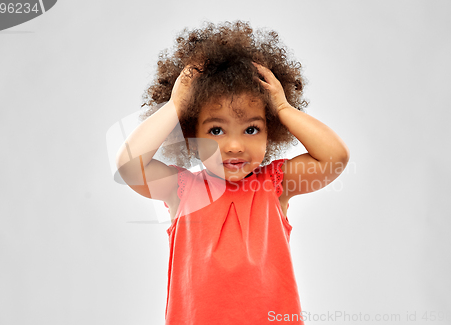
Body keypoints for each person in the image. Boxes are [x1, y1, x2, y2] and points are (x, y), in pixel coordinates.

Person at [115, 20, 349, 325]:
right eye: (216, 130)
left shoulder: (276, 184)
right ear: (190, 133)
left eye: (251, 128)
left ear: (271, 131)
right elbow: (129, 166)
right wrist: (175, 105)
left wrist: (283, 107)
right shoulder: (180, 189)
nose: (235, 145)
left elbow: (335, 157)